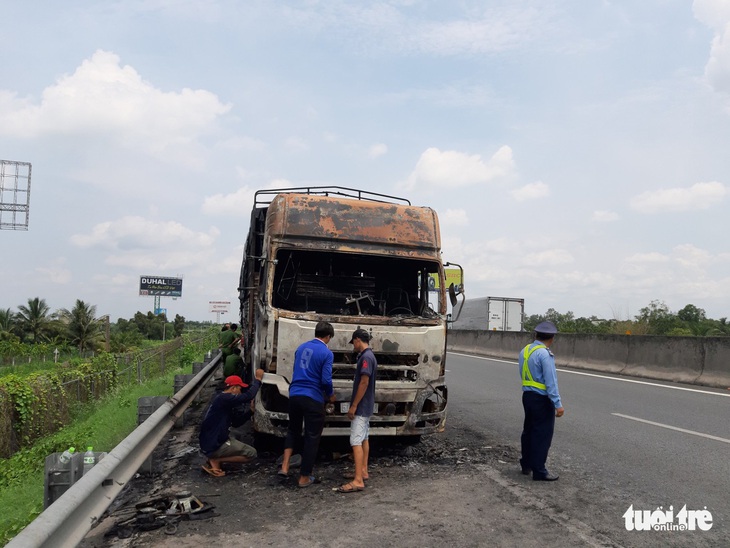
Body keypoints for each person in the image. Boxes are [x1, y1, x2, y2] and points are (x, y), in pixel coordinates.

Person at [279, 321, 336, 488]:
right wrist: (331, 395)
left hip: (295, 394)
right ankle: (304, 476)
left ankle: (285, 465)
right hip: (312, 397)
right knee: (312, 437)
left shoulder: (301, 347)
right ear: (328, 337)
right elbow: (326, 380)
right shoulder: (326, 353)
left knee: (293, 430)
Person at [519, 321, 565, 481]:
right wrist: (558, 404)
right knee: (542, 434)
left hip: (527, 397)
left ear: (536, 335)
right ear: (552, 338)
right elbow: (551, 382)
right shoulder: (545, 354)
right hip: (541, 399)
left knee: (529, 431)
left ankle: (526, 465)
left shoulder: (525, 351)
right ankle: (539, 470)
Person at [199, 370, 264, 477]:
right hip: (213, 444)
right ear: (233, 388)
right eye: (239, 388)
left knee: (237, 436)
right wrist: (258, 380)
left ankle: (215, 457)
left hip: (209, 442)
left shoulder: (223, 402)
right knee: (252, 453)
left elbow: (236, 423)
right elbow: (248, 396)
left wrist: (250, 412)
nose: (240, 392)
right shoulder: (224, 398)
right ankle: (216, 459)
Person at [336, 328, 377, 494]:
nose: (353, 345)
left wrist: (353, 406)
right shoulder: (370, 356)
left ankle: (358, 480)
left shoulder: (366, 358)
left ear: (358, 340)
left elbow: (364, 383)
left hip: (361, 406)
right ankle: (363, 471)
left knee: (355, 441)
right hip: (367, 405)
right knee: (364, 438)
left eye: (353, 342)